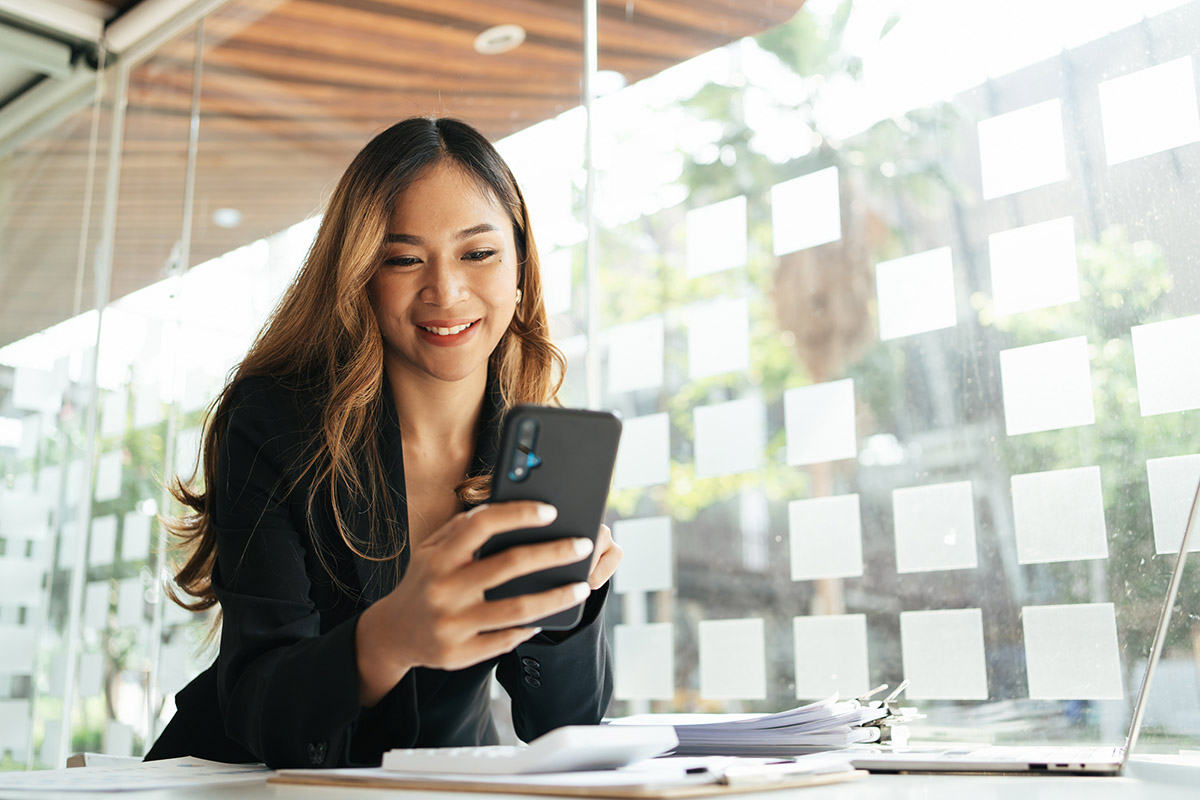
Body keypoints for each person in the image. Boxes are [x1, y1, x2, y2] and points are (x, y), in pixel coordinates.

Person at [144, 117, 621, 769]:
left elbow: (564, 727)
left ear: (519, 268)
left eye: (477, 253)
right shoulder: (276, 422)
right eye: (403, 259)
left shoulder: (530, 450)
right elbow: (257, 701)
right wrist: (388, 638)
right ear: (360, 275)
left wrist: (572, 597)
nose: (446, 292)